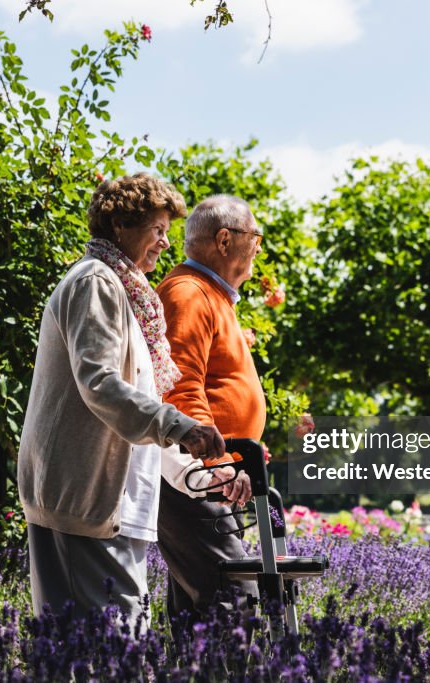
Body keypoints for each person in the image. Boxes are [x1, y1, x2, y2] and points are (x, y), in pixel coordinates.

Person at [17, 173, 238, 625]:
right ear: (119, 225)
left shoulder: (125, 291)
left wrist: (201, 476)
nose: (164, 243)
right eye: (157, 230)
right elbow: (99, 382)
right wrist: (180, 425)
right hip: (84, 499)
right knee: (112, 650)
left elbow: (137, 403)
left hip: (112, 504)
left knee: (95, 651)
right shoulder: (95, 282)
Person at [155, 194, 266, 620]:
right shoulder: (189, 292)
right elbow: (179, 386)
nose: (258, 246)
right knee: (234, 598)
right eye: (254, 236)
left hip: (208, 476)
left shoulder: (209, 294)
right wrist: (216, 461)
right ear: (224, 240)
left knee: (198, 610)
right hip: (195, 476)